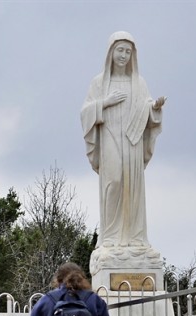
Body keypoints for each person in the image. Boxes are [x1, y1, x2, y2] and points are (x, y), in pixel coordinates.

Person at [81, 31, 166, 248]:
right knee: (115, 181)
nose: (124, 55)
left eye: (128, 51)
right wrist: (105, 102)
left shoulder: (139, 83)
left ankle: (134, 238)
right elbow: (85, 112)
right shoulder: (99, 83)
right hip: (110, 136)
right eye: (120, 50)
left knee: (132, 186)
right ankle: (109, 237)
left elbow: (146, 107)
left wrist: (154, 108)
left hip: (133, 139)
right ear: (110, 52)